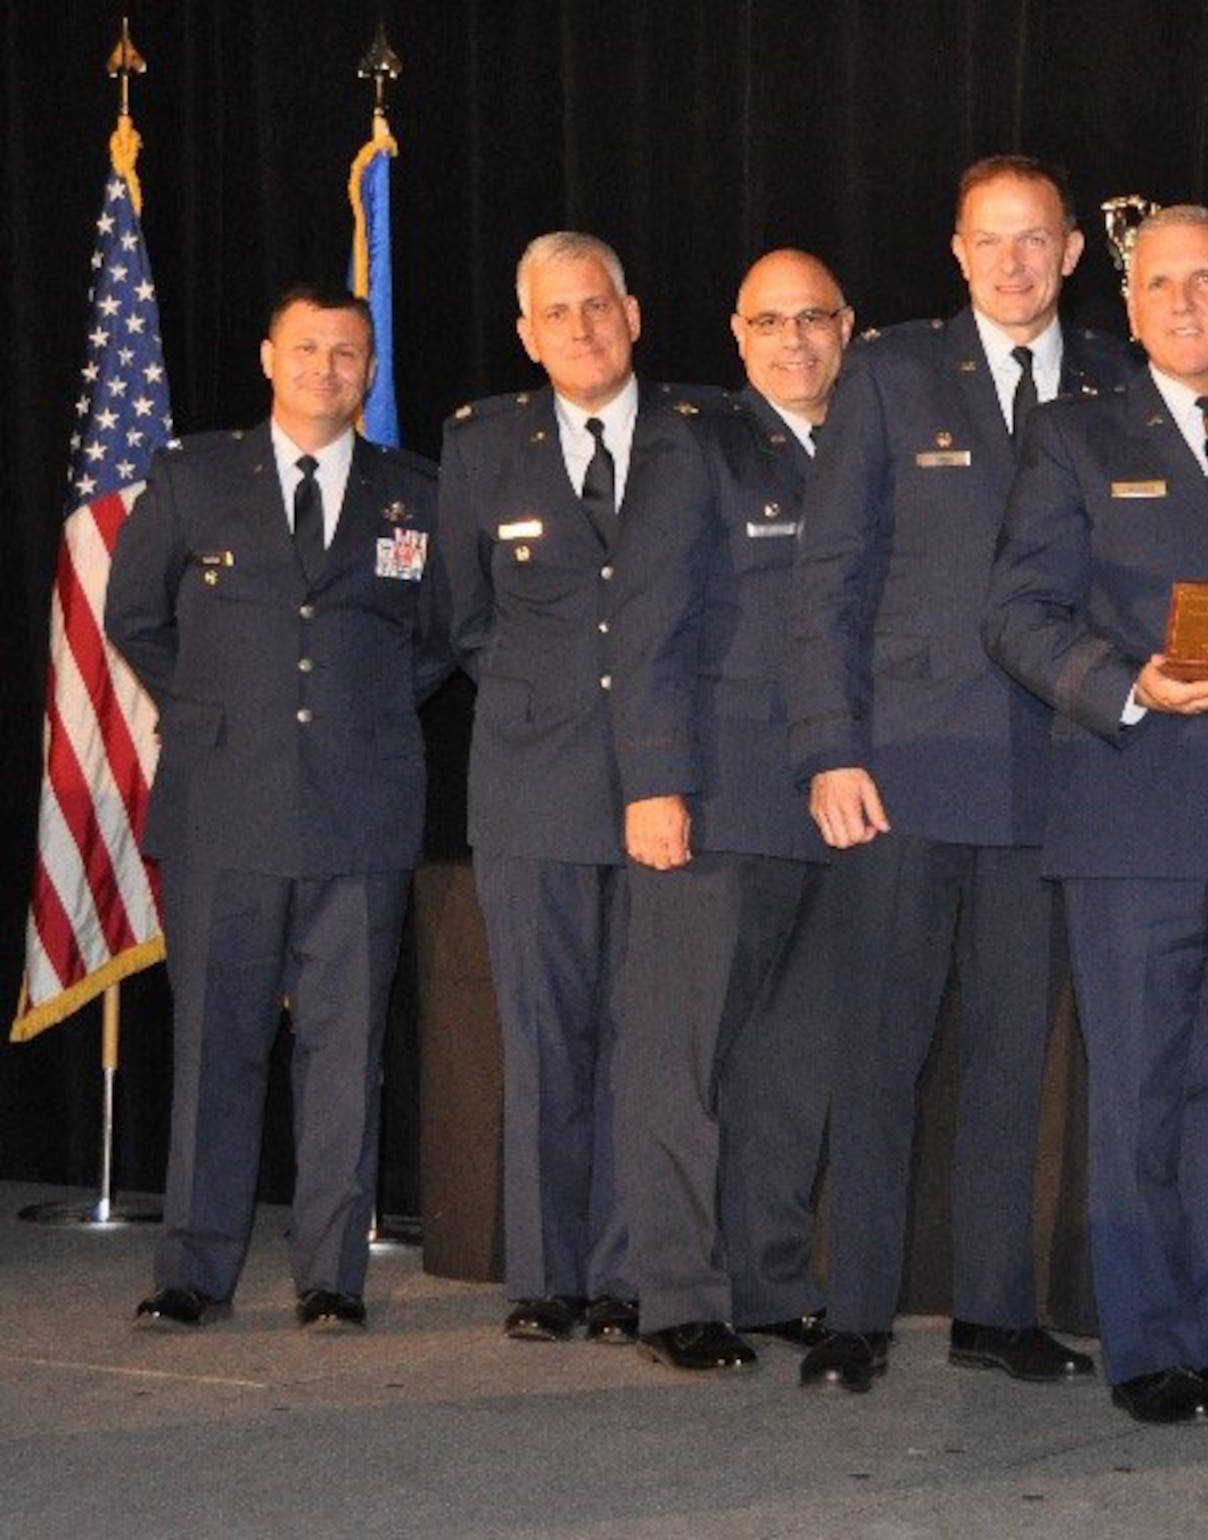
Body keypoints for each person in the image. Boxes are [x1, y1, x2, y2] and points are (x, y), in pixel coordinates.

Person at [983, 204, 1208, 1425]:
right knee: (1137, 1087)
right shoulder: (1074, 437)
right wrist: (1125, 686)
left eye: (1205, 279)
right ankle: (1147, 1345)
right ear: (1128, 307)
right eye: (1156, 285)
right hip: (1133, 807)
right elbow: (1018, 614)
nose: (1181, 302)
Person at [784, 155, 1127, 1394]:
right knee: (877, 1049)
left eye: (1034, 239)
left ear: (1072, 251)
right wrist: (828, 746)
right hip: (905, 767)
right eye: (991, 240)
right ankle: (854, 1310)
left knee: (1009, 1055)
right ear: (957, 249)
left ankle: (995, 1307)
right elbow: (829, 576)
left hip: (1055, 770)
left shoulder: (1113, 378)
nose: (1013, 262)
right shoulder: (885, 371)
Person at [108, 282, 454, 1332]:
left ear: (370, 370)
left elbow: (443, 633)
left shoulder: (419, 493)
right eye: (307, 348)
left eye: (348, 353)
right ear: (269, 357)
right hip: (226, 806)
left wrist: (370, 707)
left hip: (361, 805)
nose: (326, 368)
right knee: (216, 1046)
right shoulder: (193, 475)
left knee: (345, 1055)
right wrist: (216, 710)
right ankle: (193, 1272)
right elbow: (134, 613)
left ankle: (329, 1278)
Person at [440, 232, 714, 1355]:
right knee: (545, 1033)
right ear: (527, 334)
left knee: (644, 1043)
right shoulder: (479, 448)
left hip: (664, 785)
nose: (583, 329)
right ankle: (548, 1274)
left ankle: (624, 1272)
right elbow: (461, 617)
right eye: (558, 314)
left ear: (634, 312)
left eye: (598, 306)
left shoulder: (703, 435)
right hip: (533, 786)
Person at [612, 249, 853, 1367]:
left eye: (812, 318)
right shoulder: (694, 444)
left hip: (838, 807)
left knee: (790, 1062)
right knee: (683, 1059)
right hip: (714, 802)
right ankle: (677, 1294)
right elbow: (648, 626)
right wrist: (653, 785)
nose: (792, 339)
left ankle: (766, 1276)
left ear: (846, 327)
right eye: (769, 321)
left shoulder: (868, 447)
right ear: (734, 332)